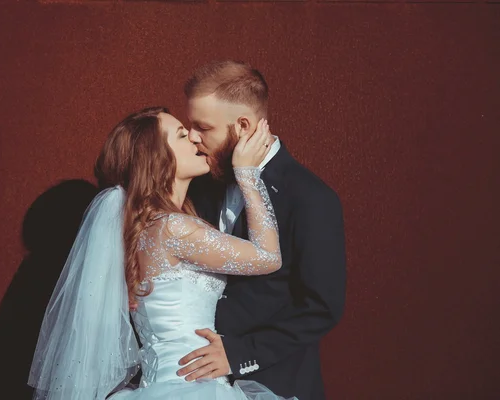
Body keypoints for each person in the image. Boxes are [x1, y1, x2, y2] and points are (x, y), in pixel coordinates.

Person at [27, 106, 297, 399]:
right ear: (157, 157)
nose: (195, 139)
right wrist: (248, 175)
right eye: (182, 135)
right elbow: (268, 257)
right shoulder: (173, 229)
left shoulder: (143, 228)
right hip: (191, 386)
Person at [179, 61, 347, 399]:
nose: (193, 137)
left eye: (203, 127)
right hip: (193, 382)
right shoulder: (199, 183)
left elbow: (321, 306)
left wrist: (240, 355)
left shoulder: (311, 197)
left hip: (274, 384)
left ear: (243, 126)